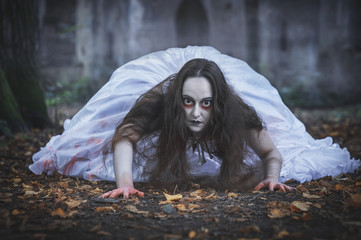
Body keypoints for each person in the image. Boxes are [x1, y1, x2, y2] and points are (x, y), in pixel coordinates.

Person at [29, 46, 360, 199]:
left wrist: (272, 177)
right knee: (88, 145)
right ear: (178, 101)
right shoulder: (160, 102)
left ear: (218, 104)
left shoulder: (235, 111)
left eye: (206, 104)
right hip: (159, 104)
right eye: (188, 102)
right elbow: (125, 137)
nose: (197, 113)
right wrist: (126, 183)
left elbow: (271, 152)